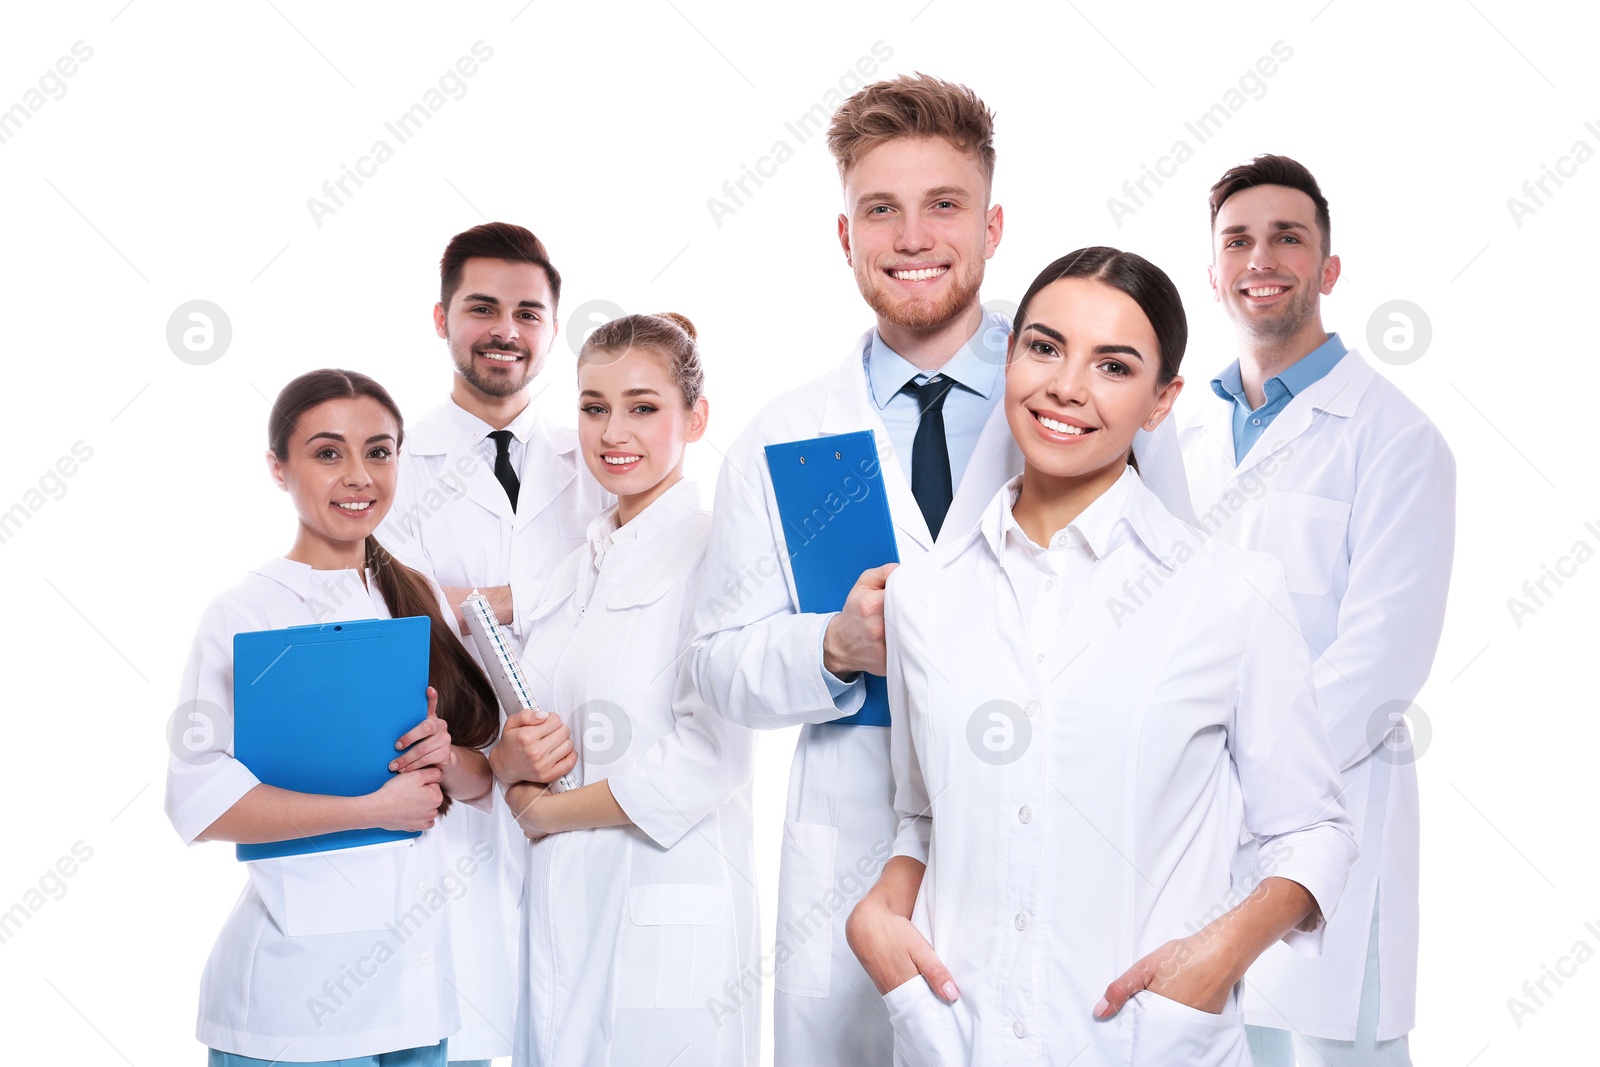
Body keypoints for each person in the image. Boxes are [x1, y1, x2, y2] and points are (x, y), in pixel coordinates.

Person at [847, 248, 1358, 1067]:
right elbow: (923, 810)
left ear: (1161, 402)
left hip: (1143, 1039)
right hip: (960, 1037)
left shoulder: (1229, 594)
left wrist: (1221, 954)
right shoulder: (925, 596)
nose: (1067, 387)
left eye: (1113, 366)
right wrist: (878, 910)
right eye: (1044, 348)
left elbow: (1313, 829)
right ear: (1009, 357)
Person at [684, 73, 1021, 1066]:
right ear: (845, 236)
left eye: (943, 205)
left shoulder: (1071, 392)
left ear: (993, 225)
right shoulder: (786, 433)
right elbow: (713, 663)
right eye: (880, 209)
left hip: (1039, 815)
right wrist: (830, 646)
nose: (912, 236)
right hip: (853, 839)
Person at [1179, 155, 1456, 1066]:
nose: (1262, 258)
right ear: (1213, 271)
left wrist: (1238, 776)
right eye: (1238, 241)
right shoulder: (1173, 434)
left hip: (1327, 828)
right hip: (1191, 842)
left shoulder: (1396, 438)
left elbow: (1381, 665)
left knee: (1333, 1046)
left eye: (1287, 237)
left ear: (1328, 269)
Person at [165, 368, 500, 1066]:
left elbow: (479, 781)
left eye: (379, 451)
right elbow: (197, 802)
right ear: (277, 467)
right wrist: (373, 807)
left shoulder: (415, 591)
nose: (359, 475)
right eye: (328, 452)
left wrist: (446, 757)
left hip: (418, 997)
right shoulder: (244, 613)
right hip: (294, 1004)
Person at [492, 313, 758, 1066]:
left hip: (665, 907)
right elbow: (536, 725)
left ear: (694, 418)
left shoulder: (717, 548)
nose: (613, 431)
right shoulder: (578, 568)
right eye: (593, 405)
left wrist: (549, 812)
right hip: (561, 906)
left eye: (643, 407)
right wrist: (514, 769)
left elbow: (710, 754)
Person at [375, 222, 611, 1066]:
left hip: (582, 795)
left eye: (527, 312)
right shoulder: (394, 470)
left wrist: (497, 601)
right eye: (482, 308)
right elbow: (389, 641)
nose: (505, 329)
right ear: (441, 318)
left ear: (552, 330)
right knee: (465, 1028)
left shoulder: (594, 459)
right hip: (454, 807)